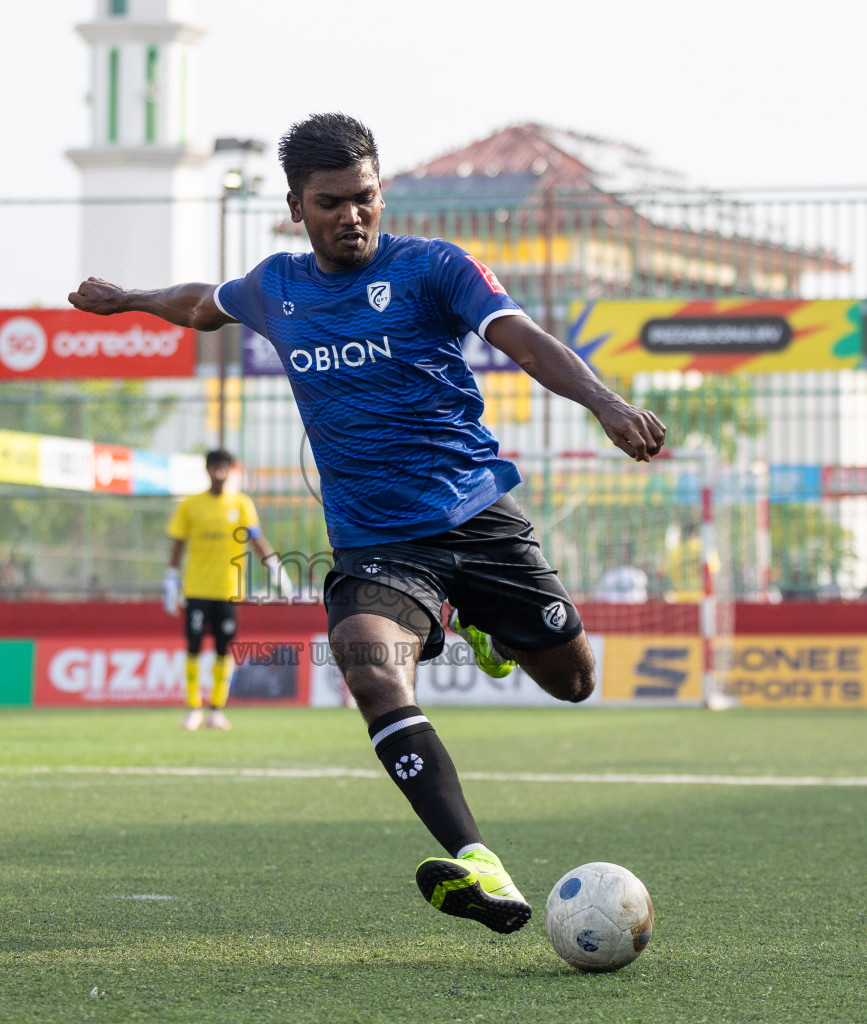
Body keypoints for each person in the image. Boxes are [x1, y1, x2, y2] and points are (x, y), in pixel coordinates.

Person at [71, 113, 664, 934]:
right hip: (377, 543)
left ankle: (487, 627)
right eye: (331, 203)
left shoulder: (433, 269)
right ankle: (477, 860)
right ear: (295, 207)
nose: (351, 215)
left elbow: (519, 334)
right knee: (366, 662)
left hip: (477, 516)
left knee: (573, 681)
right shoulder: (276, 287)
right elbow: (203, 305)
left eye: (365, 198)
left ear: (379, 194)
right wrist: (130, 299)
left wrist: (603, 400)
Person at [164, 449, 289, 731]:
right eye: (214, 467)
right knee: (193, 647)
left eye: (223, 467)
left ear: (230, 470)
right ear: (207, 470)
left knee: (224, 649)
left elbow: (255, 538)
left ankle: (216, 709)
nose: (218, 472)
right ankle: (193, 707)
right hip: (197, 588)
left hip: (229, 589)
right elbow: (178, 542)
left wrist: (274, 566)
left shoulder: (242, 504)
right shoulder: (191, 505)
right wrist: (171, 576)